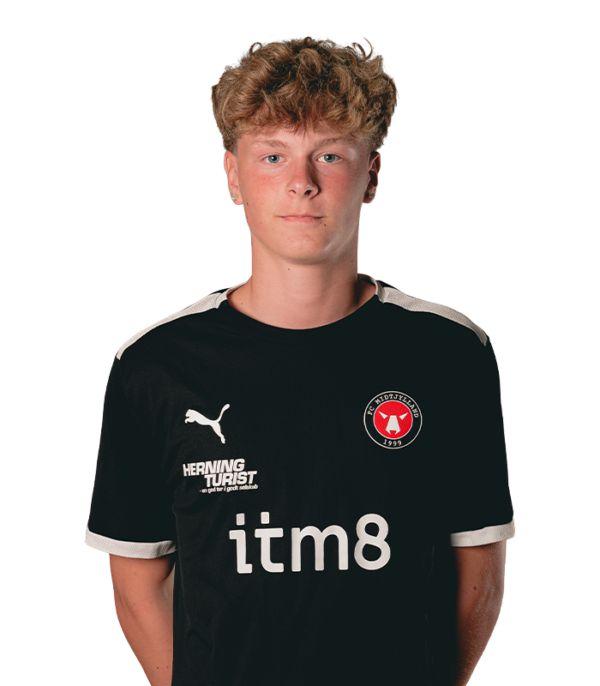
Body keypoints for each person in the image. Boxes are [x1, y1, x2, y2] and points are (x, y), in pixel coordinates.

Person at [84, 35, 515, 686]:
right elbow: (137, 582)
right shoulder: (155, 365)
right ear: (233, 176)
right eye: (273, 155)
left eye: (330, 155)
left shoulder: (450, 352)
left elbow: (478, 571)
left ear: (372, 176)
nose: (302, 182)